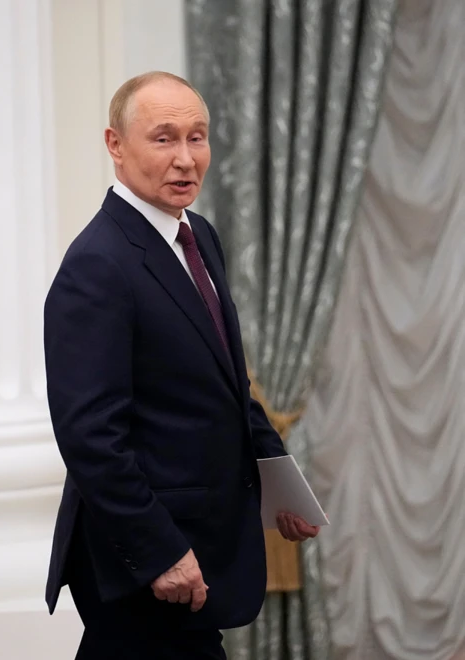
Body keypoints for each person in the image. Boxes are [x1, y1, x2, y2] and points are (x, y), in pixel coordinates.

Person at [43, 71, 320, 659]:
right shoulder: (97, 264)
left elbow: (228, 384)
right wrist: (158, 552)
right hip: (148, 559)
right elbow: (90, 437)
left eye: (198, 137)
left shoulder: (198, 236)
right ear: (116, 145)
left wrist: (281, 485)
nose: (186, 159)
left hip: (202, 544)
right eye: (164, 138)